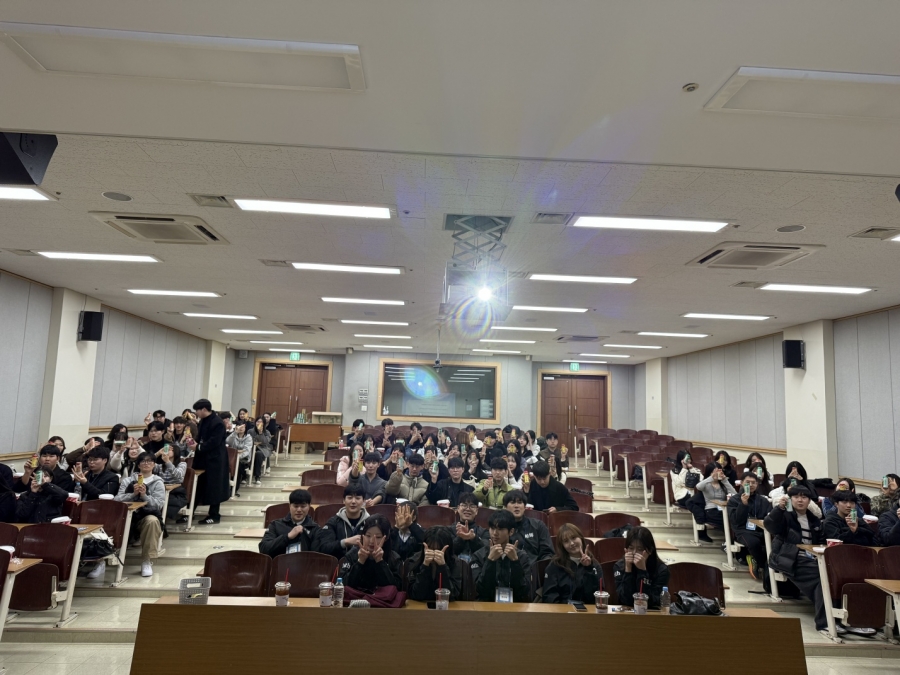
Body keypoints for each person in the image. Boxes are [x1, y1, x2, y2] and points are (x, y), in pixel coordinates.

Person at [764, 486, 828, 634]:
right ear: (790, 499)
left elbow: (821, 541)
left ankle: (831, 619)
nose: (800, 500)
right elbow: (770, 525)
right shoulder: (785, 516)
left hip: (811, 559)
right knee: (822, 577)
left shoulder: (814, 520)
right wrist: (779, 509)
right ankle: (825, 622)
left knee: (829, 575)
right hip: (788, 557)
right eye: (796, 497)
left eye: (804, 497)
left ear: (809, 501)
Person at [115, 452, 166, 577]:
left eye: (149, 461)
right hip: (127, 516)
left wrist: (144, 496)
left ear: (154, 464)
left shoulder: (158, 482)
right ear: (138, 465)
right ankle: (103, 560)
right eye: (143, 461)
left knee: (152, 521)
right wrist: (132, 494)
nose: (146, 463)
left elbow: (158, 505)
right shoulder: (128, 480)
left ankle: (146, 560)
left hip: (145, 515)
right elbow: (117, 499)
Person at [470, 509, 532, 603]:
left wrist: (515, 562)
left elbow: (523, 591)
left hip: (515, 606)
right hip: (486, 605)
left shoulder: (522, 556)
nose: (495, 533)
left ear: (511, 532)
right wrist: (490, 561)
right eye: (492, 528)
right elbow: (480, 590)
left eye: (500, 529)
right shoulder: (479, 555)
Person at [338, 514, 403, 594]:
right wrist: (360, 562)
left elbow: (396, 588)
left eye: (378, 537)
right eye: (368, 535)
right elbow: (341, 585)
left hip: (382, 601)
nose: (372, 541)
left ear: (386, 538)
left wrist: (380, 562)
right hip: (355, 599)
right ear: (363, 535)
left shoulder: (394, 558)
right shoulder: (352, 554)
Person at [190, 399, 230, 525]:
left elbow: (214, 442)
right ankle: (190, 512)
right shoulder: (203, 420)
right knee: (197, 484)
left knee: (214, 486)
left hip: (215, 459)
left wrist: (198, 447)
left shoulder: (217, 422)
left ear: (204, 409)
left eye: (197, 410)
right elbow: (200, 437)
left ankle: (214, 515)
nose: (196, 413)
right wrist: (194, 442)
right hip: (202, 457)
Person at [542, 523, 603, 604]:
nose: (571, 543)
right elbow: (549, 596)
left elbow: (595, 596)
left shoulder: (594, 565)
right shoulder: (555, 565)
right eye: (566, 541)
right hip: (562, 609)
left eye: (573, 538)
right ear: (562, 545)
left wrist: (588, 568)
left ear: (581, 538)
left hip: (587, 609)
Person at [727, 472, 771, 581]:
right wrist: (743, 504)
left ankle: (756, 560)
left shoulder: (763, 500)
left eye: (753, 483)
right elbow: (736, 521)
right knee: (753, 542)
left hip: (761, 530)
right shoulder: (734, 500)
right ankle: (765, 568)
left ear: (757, 485)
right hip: (743, 531)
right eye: (747, 482)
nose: (751, 485)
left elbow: (769, 517)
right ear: (741, 483)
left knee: (775, 542)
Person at [613, 526, 670, 609]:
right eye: (631, 548)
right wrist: (628, 569)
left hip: (650, 613)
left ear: (650, 550)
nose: (634, 552)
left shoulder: (662, 570)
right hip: (626, 612)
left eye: (640, 549)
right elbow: (625, 600)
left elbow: (652, 601)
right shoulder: (619, 566)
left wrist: (642, 571)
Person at [407, 525, 464, 602]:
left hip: (447, 607)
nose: (434, 553)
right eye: (430, 548)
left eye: (438, 549)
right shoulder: (414, 561)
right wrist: (425, 566)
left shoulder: (455, 563)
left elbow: (453, 596)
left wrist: (442, 567)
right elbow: (415, 595)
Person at [312, 486, 370, 558]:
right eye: (349, 498)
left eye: (357, 498)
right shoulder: (333, 522)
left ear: (363, 501)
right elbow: (324, 548)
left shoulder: (370, 522)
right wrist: (345, 542)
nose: (353, 502)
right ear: (343, 500)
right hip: (339, 563)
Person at [259, 489, 319, 557]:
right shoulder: (275, 525)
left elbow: (317, 556)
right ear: (290, 506)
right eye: (295, 506)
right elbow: (263, 549)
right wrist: (287, 537)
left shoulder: (315, 529)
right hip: (280, 563)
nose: (299, 510)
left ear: (309, 506)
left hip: (305, 563)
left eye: (303, 506)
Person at [691, 462, 737, 543]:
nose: (716, 474)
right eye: (714, 472)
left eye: (718, 471)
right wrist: (711, 478)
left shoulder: (723, 483)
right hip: (711, 510)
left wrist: (725, 480)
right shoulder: (706, 484)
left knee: (734, 519)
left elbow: (735, 494)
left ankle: (732, 541)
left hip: (724, 509)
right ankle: (730, 542)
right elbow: (698, 486)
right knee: (726, 521)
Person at [503, 490, 554, 560]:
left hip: (535, 565)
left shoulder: (538, 525)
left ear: (524, 507)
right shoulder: (501, 528)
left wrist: (542, 565)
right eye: (512, 502)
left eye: (519, 502)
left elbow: (548, 553)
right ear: (505, 507)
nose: (516, 506)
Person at [152, 444, 187, 519]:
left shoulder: (182, 464)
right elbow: (148, 462)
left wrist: (168, 461)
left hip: (176, 493)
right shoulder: (160, 466)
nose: (166, 451)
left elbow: (178, 475)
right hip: (162, 491)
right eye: (165, 449)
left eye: (169, 449)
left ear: (176, 452)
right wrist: (158, 453)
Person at [453, 493, 486, 561]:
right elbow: (448, 552)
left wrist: (474, 538)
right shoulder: (448, 530)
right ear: (458, 508)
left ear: (477, 511)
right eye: (464, 505)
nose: (468, 509)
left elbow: (486, 553)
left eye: (472, 506)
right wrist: (461, 537)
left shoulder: (484, 532)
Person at [226, 422, 253, 494]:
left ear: (245, 428)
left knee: (238, 466)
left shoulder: (248, 437)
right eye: (239, 427)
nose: (241, 428)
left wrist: (237, 457)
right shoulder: (233, 435)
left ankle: (234, 490)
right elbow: (228, 441)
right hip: (232, 458)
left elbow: (246, 451)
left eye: (242, 427)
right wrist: (235, 432)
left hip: (243, 459)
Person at [248, 418, 273, 484]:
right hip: (251, 448)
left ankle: (257, 476)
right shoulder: (250, 431)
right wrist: (254, 443)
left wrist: (260, 433)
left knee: (258, 454)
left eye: (261, 422)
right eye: (258, 421)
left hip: (263, 448)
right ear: (255, 422)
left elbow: (265, 442)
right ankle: (244, 476)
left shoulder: (266, 432)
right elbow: (248, 440)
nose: (259, 423)